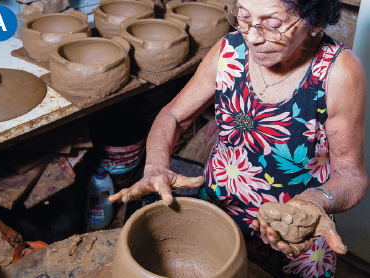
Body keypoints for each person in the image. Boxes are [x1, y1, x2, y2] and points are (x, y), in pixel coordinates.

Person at [110, 0, 369, 276]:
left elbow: (351, 175)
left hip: (293, 232)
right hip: (217, 212)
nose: (253, 36)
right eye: (244, 17)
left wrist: (316, 201)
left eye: (272, 24)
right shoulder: (229, 50)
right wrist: (156, 166)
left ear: (313, 21)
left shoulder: (338, 71)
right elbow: (173, 116)